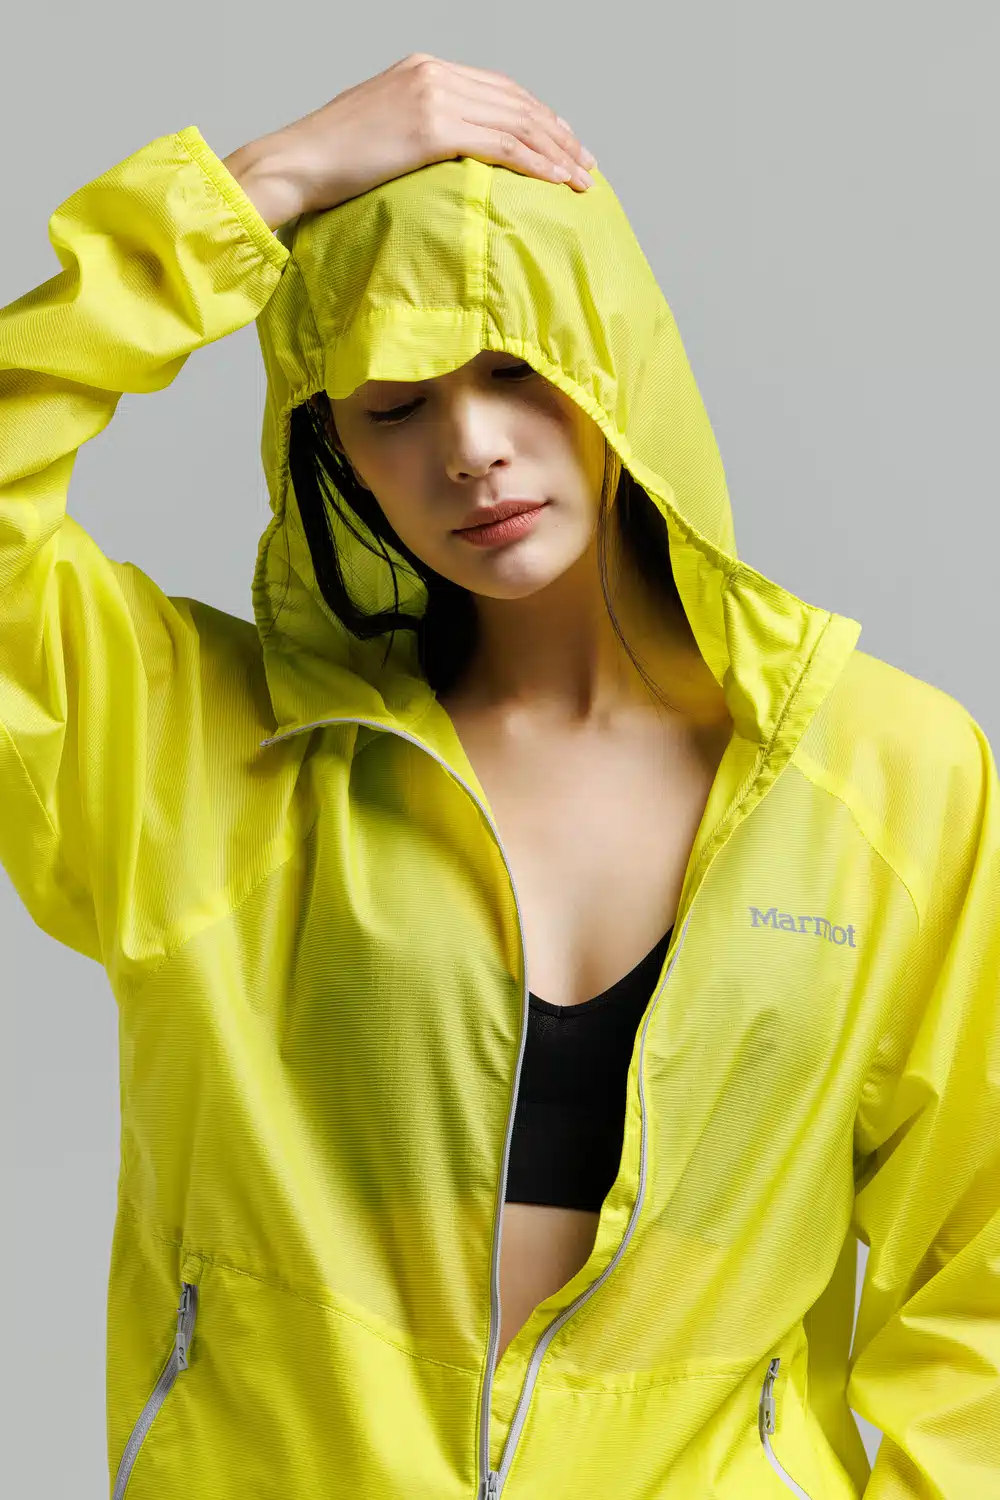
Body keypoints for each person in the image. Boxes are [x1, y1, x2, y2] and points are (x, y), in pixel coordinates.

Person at [0, 49, 997, 1500]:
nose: (469, 448)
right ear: (331, 448)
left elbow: (979, 1264)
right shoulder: (201, 749)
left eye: (518, 371)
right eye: (393, 407)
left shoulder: (888, 773)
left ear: (619, 366)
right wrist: (255, 189)